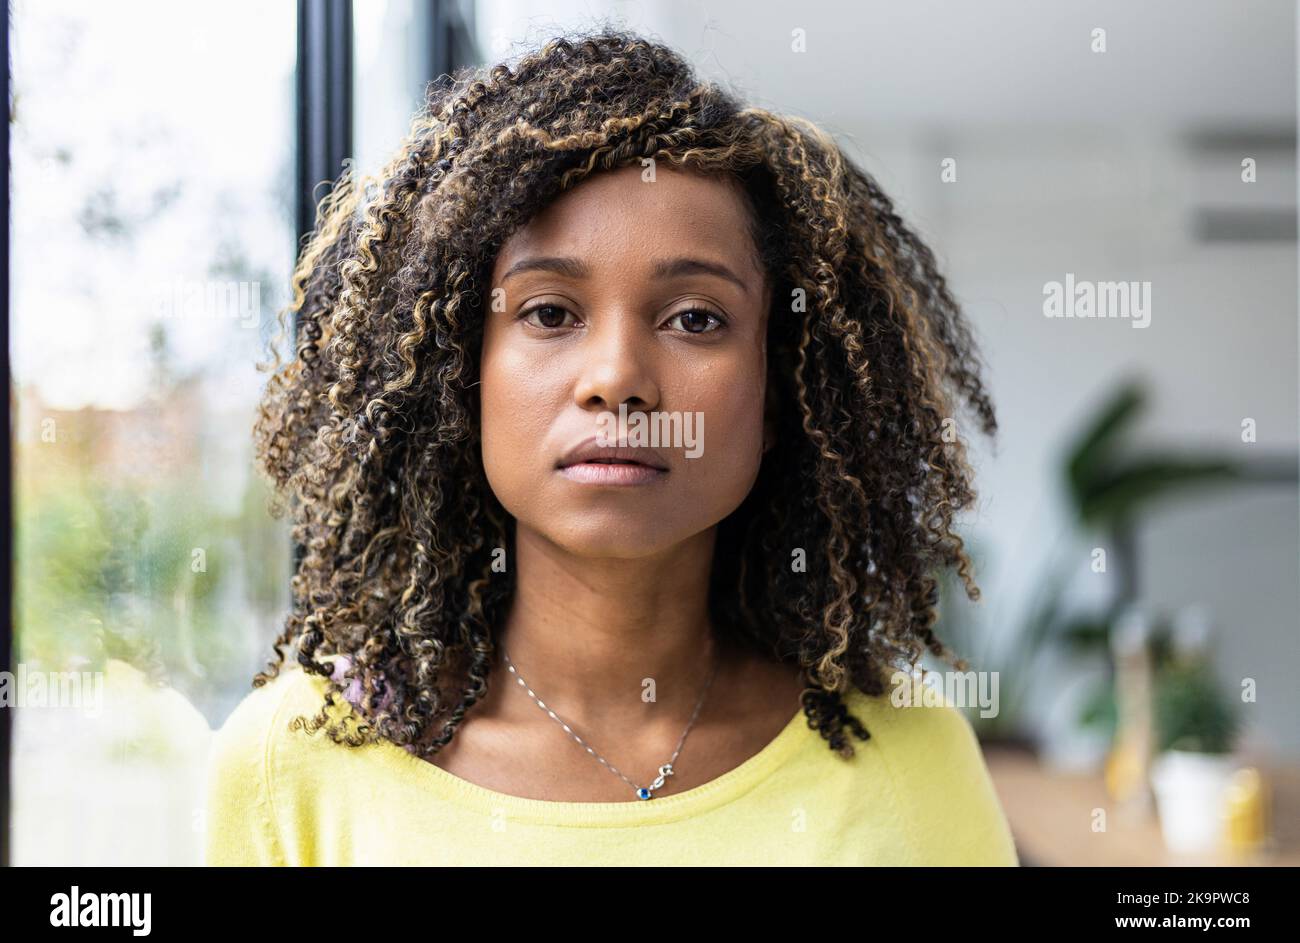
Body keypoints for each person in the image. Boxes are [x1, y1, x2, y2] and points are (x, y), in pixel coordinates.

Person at [204, 28, 1017, 866]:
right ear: (461, 377)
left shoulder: (909, 764)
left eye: (696, 318)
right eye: (549, 312)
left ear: (778, 396)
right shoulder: (295, 765)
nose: (618, 379)